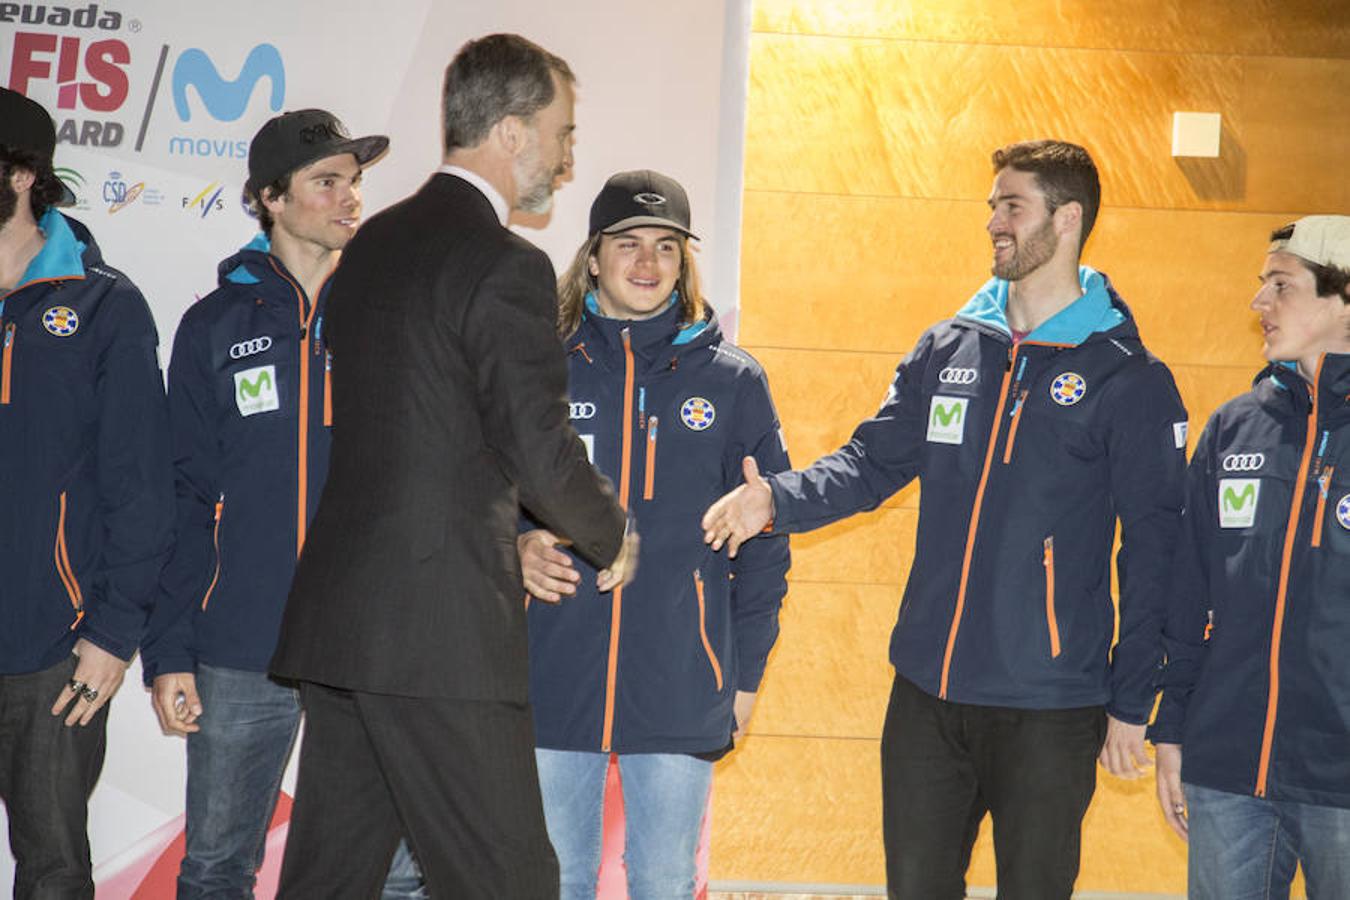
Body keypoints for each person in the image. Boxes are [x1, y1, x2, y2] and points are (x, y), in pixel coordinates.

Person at [702, 140, 1189, 900]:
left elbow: (1156, 549)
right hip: (928, 693)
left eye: (1012, 206)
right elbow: (871, 462)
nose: (993, 220)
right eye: (992, 204)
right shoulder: (951, 347)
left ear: (1067, 219)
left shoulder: (1127, 378)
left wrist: (1134, 700)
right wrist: (777, 499)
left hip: (1051, 706)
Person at [268, 34, 635, 898]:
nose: (568, 157)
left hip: (347, 626)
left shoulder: (372, 249)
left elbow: (416, 439)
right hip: (439, 636)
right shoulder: (506, 265)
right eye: (563, 133)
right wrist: (612, 533)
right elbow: (537, 446)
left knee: (326, 880)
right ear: (511, 133)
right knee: (508, 881)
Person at [138, 108, 422, 898]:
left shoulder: (393, 314)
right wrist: (169, 651)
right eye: (326, 182)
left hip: (369, 643)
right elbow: (185, 494)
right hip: (241, 646)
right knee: (218, 866)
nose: (349, 199)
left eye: (355, 181)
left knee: (398, 875)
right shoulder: (214, 323)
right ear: (271, 197)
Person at [518, 170, 790, 898]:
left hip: (680, 679)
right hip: (551, 673)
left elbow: (767, 544)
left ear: (683, 261)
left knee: (665, 881)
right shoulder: (542, 369)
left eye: (666, 246)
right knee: (555, 880)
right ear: (594, 256)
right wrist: (512, 547)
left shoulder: (734, 381)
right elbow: (480, 497)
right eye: (629, 244)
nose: (647, 263)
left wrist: (746, 677)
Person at [0, 87, 174, 898]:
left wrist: (109, 634)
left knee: (55, 870)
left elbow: (141, 486)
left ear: (25, 173)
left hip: (53, 652)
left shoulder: (106, 305)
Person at [1149, 215, 1350, 899]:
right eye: (1261, 285)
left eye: (1281, 287)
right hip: (1228, 770)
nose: (1258, 304)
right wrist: (1172, 728)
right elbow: (1190, 591)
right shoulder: (1236, 427)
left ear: (1342, 298)